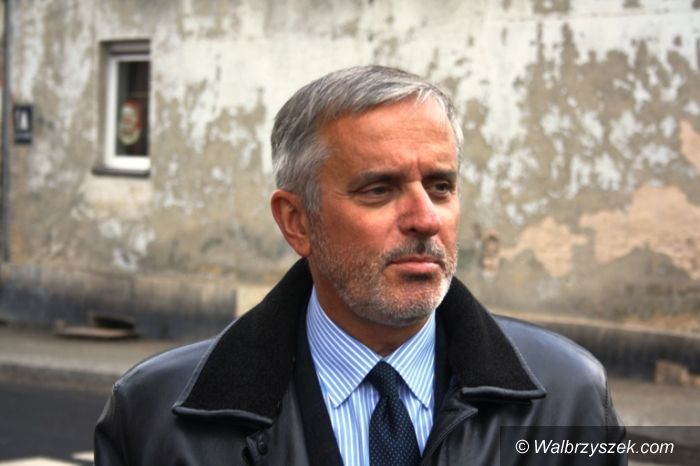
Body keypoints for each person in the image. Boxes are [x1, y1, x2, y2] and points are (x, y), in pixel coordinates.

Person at [95, 65, 624, 465]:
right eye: (379, 190)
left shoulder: (568, 396)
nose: (425, 218)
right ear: (297, 222)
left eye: (441, 186)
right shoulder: (156, 416)